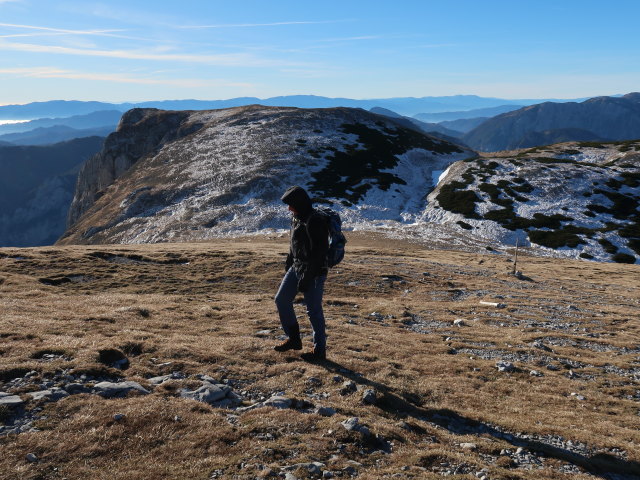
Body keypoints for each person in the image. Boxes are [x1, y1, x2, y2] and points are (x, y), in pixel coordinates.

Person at [274, 186, 329, 361]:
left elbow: (320, 253)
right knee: (281, 300)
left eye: (291, 205)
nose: (289, 208)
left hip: (314, 271)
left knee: (313, 310)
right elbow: (294, 243)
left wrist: (308, 276)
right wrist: (289, 261)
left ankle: (319, 351)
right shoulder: (296, 218)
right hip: (296, 267)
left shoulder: (315, 220)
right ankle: (294, 339)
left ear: (300, 203)